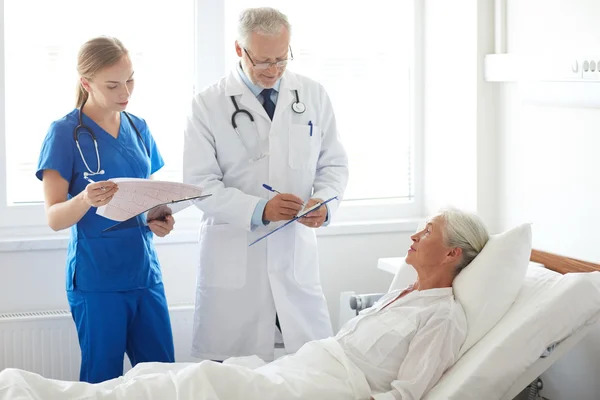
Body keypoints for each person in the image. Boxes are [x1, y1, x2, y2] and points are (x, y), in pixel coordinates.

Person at [0, 208, 490, 399]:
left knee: (197, 382)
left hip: (327, 388)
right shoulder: (402, 293)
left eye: (427, 231)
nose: (414, 233)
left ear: (452, 253)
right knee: (158, 376)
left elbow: (407, 395)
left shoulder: (441, 316)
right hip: (306, 367)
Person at [183, 7, 349, 361]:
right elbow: (199, 183)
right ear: (239, 50)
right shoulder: (207, 105)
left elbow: (333, 164)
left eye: (281, 59)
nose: (274, 71)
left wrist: (324, 203)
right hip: (235, 257)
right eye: (263, 62)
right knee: (232, 376)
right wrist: (258, 209)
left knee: (312, 368)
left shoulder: (312, 95)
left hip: (294, 254)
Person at [35, 36, 176, 383]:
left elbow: (148, 197)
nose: (125, 91)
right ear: (86, 83)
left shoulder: (138, 128)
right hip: (97, 280)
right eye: (112, 84)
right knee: (103, 382)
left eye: (130, 79)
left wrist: (160, 218)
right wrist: (84, 199)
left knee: (164, 379)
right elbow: (53, 218)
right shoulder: (64, 132)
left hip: (144, 275)